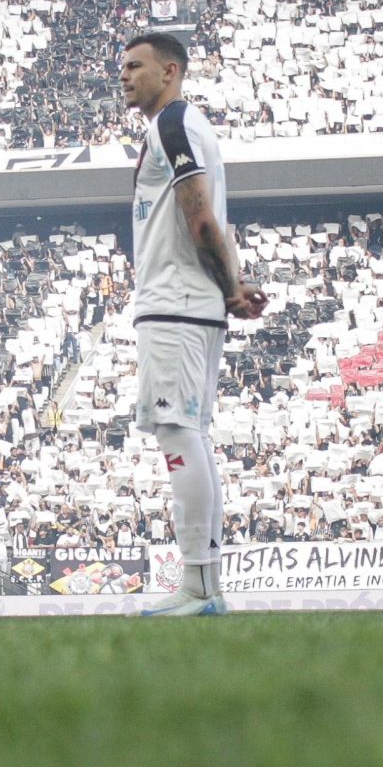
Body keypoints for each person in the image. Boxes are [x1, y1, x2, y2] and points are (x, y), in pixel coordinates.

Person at [120, 31, 266, 616]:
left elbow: (201, 216)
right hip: (189, 300)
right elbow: (210, 222)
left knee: (178, 434)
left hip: (176, 301)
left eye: (137, 66)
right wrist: (231, 281)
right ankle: (202, 584)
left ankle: (201, 587)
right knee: (190, 435)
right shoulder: (185, 127)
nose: (125, 75)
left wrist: (230, 284)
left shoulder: (173, 125)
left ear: (171, 71)